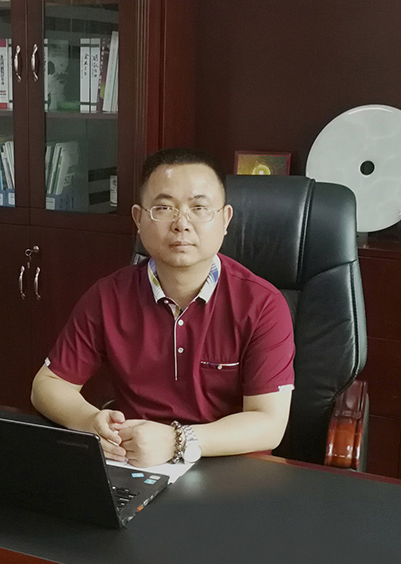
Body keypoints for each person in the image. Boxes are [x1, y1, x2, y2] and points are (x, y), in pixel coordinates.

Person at [31, 148, 295, 468]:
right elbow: (48, 385)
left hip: (229, 467)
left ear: (225, 219)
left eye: (199, 208)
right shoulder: (108, 296)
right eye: (164, 208)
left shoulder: (263, 305)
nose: (181, 224)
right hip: (135, 462)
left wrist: (178, 440)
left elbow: (269, 423)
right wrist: (90, 421)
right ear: (139, 219)